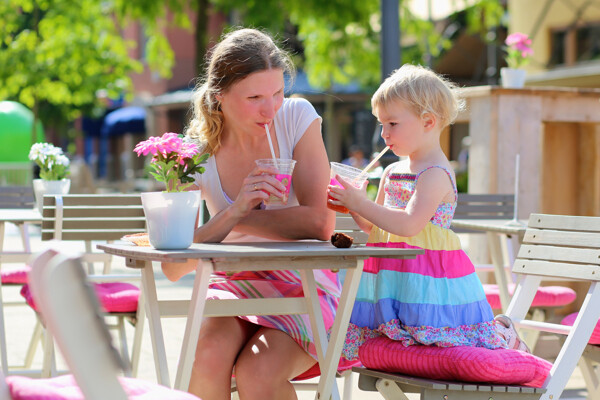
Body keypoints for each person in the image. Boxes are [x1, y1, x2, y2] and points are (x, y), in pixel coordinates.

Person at [160, 28, 355, 400]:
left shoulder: (296, 117)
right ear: (220, 96)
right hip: (233, 285)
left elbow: (319, 222)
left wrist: (238, 218)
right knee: (204, 360)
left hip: (306, 283)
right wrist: (234, 210)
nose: (270, 109)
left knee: (259, 373)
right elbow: (174, 266)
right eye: (254, 98)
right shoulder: (194, 154)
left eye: (277, 93)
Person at [327, 64, 529, 362]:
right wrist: (352, 207)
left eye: (392, 124)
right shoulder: (392, 171)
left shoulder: (434, 174)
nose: (384, 134)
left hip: (431, 278)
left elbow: (409, 225)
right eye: (381, 125)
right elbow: (376, 228)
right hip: (395, 273)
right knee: (403, 337)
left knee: (440, 337)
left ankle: (505, 335)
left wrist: (360, 203)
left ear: (428, 121)